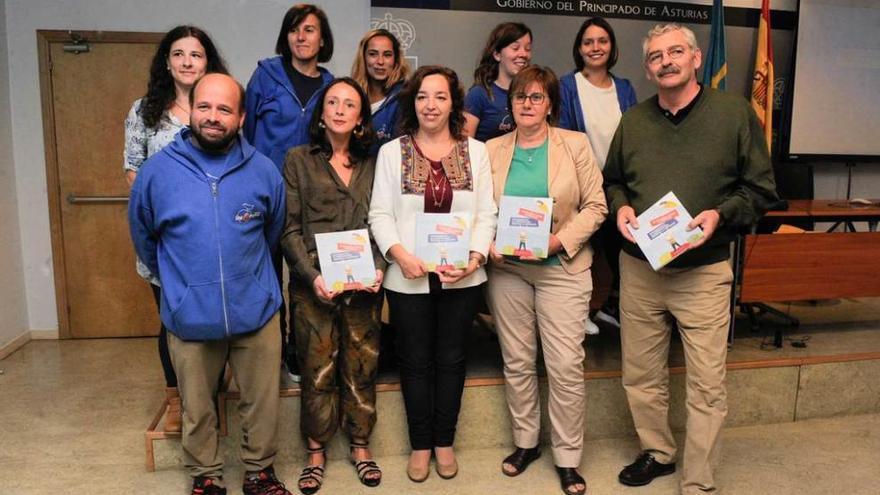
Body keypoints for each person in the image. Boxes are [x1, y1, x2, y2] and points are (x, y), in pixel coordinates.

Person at [603, 24, 778, 495]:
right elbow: (613, 180)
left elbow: (761, 190)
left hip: (703, 273)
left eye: (676, 51)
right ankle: (658, 452)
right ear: (647, 68)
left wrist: (720, 216)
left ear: (697, 58)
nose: (666, 61)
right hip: (640, 269)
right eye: (656, 56)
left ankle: (698, 478)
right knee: (640, 374)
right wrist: (619, 205)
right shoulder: (634, 120)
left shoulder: (734, 114)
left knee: (706, 383)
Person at [129, 73, 290, 495]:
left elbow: (272, 232)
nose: (213, 117)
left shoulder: (263, 171)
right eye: (204, 107)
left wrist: (251, 281)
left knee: (261, 403)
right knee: (198, 408)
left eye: (224, 109)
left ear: (240, 117)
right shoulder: (157, 172)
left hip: (256, 312)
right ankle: (206, 477)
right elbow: (145, 239)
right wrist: (182, 285)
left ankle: (260, 473)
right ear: (190, 111)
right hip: (189, 315)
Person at [368, 65, 497, 483]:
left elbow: (486, 213)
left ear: (453, 104)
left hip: (463, 278)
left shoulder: (475, 152)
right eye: (423, 96)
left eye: (440, 96)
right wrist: (400, 255)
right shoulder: (392, 152)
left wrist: (476, 258)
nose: (431, 105)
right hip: (407, 278)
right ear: (412, 102)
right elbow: (380, 214)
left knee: (452, 360)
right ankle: (420, 444)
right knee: (415, 362)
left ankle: (445, 441)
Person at [485, 66, 607, 495]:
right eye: (520, 97)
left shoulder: (574, 145)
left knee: (565, 367)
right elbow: (480, 209)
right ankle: (526, 444)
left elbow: (596, 206)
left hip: (562, 269)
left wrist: (559, 241)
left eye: (536, 97)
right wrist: (487, 242)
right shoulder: (491, 149)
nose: (527, 104)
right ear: (511, 103)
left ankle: (568, 458)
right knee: (517, 361)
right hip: (508, 271)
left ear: (551, 103)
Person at [280, 78, 385, 494]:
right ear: (321, 113)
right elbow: (288, 229)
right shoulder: (297, 160)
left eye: (350, 104)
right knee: (317, 366)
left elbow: (383, 223)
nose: (340, 109)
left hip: (363, 287)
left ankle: (361, 445)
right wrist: (313, 277)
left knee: (363, 363)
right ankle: (316, 450)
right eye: (332, 102)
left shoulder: (374, 164)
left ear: (361, 117)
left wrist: (379, 266)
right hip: (314, 286)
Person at [122, 25, 227, 433]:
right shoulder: (145, 110)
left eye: (196, 54)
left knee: (213, 322)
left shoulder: (218, 108)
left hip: (213, 240)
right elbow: (133, 172)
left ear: (208, 62)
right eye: (179, 53)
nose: (187, 61)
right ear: (166, 61)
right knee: (173, 321)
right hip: (166, 240)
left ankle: (211, 399)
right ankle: (176, 398)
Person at [244, 3, 335, 380]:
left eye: (310, 29)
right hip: (266, 195)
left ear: (322, 38)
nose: (301, 36)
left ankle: (301, 352)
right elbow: (246, 135)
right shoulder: (265, 76)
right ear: (286, 36)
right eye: (294, 30)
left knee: (306, 275)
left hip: (310, 197)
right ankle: (272, 352)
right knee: (264, 276)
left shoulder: (331, 85)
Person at [558, 17, 637, 336]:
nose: (595, 47)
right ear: (579, 48)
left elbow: (634, 135)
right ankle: (578, 313)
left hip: (618, 184)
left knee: (622, 251)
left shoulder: (625, 87)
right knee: (581, 250)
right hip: (581, 185)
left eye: (602, 41)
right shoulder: (566, 85)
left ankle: (610, 307)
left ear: (612, 46)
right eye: (588, 42)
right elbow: (562, 135)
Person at [464, 22, 532, 142]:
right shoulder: (479, 94)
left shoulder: (534, 94)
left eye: (527, 49)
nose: (523, 54)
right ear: (497, 54)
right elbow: (463, 147)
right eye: (515, 48)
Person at [351, 28, 409, 155]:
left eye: (387, 55)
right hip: (354, 172)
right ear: (363, 58)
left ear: (396, 60)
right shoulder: (351, 95)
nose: (380, 61)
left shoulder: (406, 97)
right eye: (373, 54)